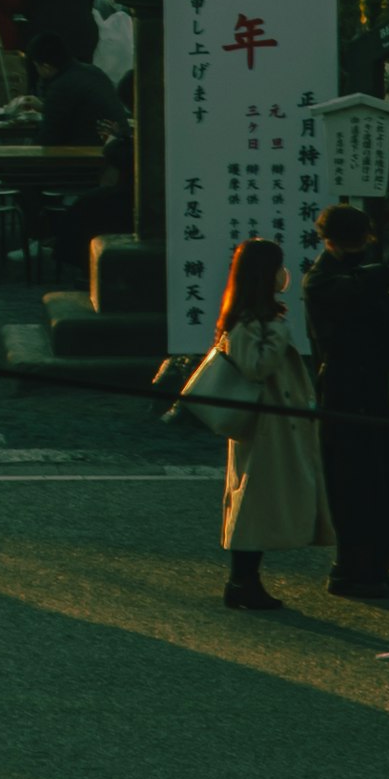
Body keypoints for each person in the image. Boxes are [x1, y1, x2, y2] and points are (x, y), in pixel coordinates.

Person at [162, 237, 327, 609]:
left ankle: (245, 581)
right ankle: (241, 581)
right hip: (264, 427)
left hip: (273, 425)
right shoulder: (250, 322)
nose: (284, 274)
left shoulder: (256, 318)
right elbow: (256, 367)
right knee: (254, 502)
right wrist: (279, 334)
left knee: (258, 501)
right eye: (278, 266)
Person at [307, 198, 389, 601]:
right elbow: (351, 295)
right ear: (330, 241)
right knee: (355, 483)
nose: (358, 245)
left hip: (377, 387)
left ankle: (378, 565)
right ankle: (351, 569)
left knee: (384, 478)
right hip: (347, 391)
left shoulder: (356, 271)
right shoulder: (324, 279)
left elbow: (376, 312)